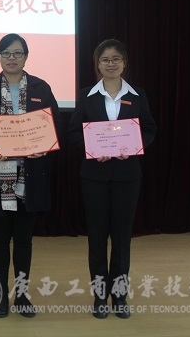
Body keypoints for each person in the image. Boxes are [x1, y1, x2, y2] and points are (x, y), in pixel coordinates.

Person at [0, 33, 61, 318]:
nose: (12, 58)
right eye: (6, 53)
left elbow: (53, 124)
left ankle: (21, 295)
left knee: (23, 240)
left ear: (26, 57)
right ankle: (0, 297)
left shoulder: (41, 88)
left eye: (17, 53)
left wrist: (44, 145)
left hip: (29, 177)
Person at [68, 39, 157, 319]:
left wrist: (132, 146)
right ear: (97, 64)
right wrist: (93, 149)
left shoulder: (138, 95)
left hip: (127, 176)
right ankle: (99, 295)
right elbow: (73, 133)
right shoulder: (86, 95)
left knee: (121, 238)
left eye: (116, 59)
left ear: (124, 63)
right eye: (105, 59)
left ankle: (119, 295)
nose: (111, 64)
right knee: (96, 238)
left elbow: (149, 129)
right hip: (93, 176)